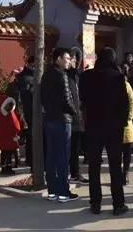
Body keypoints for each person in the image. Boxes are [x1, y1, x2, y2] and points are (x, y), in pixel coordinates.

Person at [79, 47, 129, 215]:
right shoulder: (118, 77)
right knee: (115, 166)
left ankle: (95, 203)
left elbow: (83, 99)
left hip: (93, 126)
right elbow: (125, 104)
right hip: (114, 128)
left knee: (94, 167)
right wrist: (122, 123)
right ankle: (118, 204)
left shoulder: (86, 76)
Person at [41, 48, 78, 203]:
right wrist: (75, 112)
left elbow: (42, 98)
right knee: (63, 157)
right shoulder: (61, 76)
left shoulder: (45, 75)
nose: (69, 61)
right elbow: (67, 99)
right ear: (58, 59)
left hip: (49, 119)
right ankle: (63, 193)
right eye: (67, 58)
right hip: (62, 120)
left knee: (51, 156)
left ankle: (52, 192)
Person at [67, 47, 88, 184]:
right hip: (69, 117)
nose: (76, 62)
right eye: (73, 58)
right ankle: (73, 173)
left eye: (77, 59)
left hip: (79, 116)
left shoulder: (78, 76)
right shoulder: (65, 76)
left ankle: (75, 173)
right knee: (71, 148)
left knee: (76, 146)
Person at [0, 93, 21, 175]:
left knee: (4, 153)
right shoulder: (10, 114)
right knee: (9, 153)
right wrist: (17, 133)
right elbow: (16, 125)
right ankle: (8, 167)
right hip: (11, 138)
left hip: (3, 138)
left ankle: (3, 167)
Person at [17, 56, 35, 168]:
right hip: (29, 110)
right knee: (31, 135)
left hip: (34, 110)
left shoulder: (35, 75)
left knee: (32, 135)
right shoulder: (25, 77)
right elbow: (24, 95)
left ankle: (31, 158)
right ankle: (30, 158)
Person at [121, 64, 133, 186]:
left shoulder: (126, 85)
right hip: (112, 124)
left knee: (127, 151)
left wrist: (129, 116)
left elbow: (132, 101)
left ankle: (125, 172)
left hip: (126, 123)